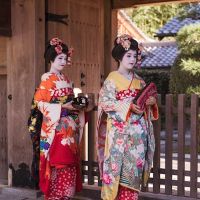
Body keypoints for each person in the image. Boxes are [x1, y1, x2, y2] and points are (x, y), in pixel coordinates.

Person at [96, 34, 159, 200]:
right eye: (128, 55)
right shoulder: (112, 79)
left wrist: (151, 102)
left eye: (134, 55)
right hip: (119, 135)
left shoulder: (139, 81)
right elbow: (105, 103)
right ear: (119, 57)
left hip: (138, 137)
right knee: (117, 171)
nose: (132, 59)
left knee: (133, 175)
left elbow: (147, 105)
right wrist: (128, 105)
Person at [31, 37, 85, 200]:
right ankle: (56, 196)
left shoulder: (67, 80)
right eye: (59, 58)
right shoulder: (46, 80)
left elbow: (73, 103)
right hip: (55, 130)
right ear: (51, 59)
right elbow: (39, 103)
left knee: (69, 165)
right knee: (57, 164)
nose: (63, 61)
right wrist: (61, 107)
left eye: (65, 58)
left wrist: (79, 106)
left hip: (70, 130)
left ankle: (66, 195)